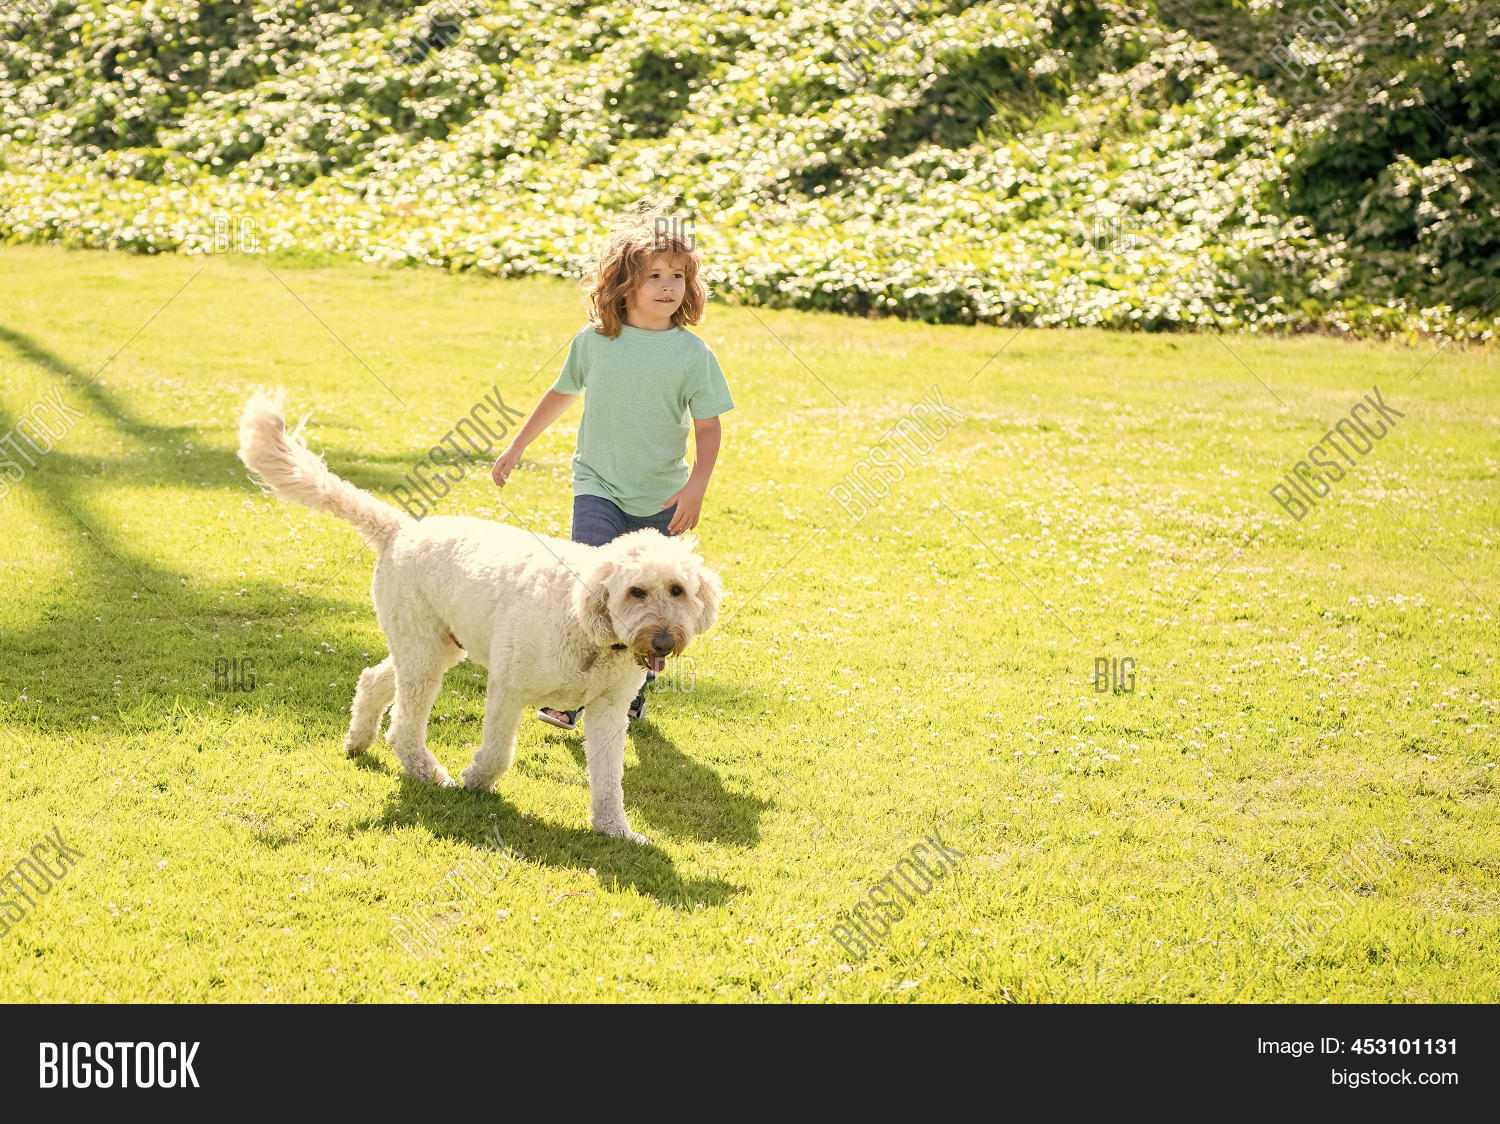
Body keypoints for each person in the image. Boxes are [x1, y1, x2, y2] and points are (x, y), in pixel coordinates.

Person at [491, 207, 733, 729]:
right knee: (593, 590)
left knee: (652, 610)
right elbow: (560, 394)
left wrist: (696, 486)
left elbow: (708, 427)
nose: (669, 286)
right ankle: (569, 695)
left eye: (679, 277)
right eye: (656, 276)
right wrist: (515, 446)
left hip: (662, 496)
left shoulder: (692, 354)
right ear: (624, 284)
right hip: (596, 484)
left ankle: (626, 699)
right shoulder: (595, 341)